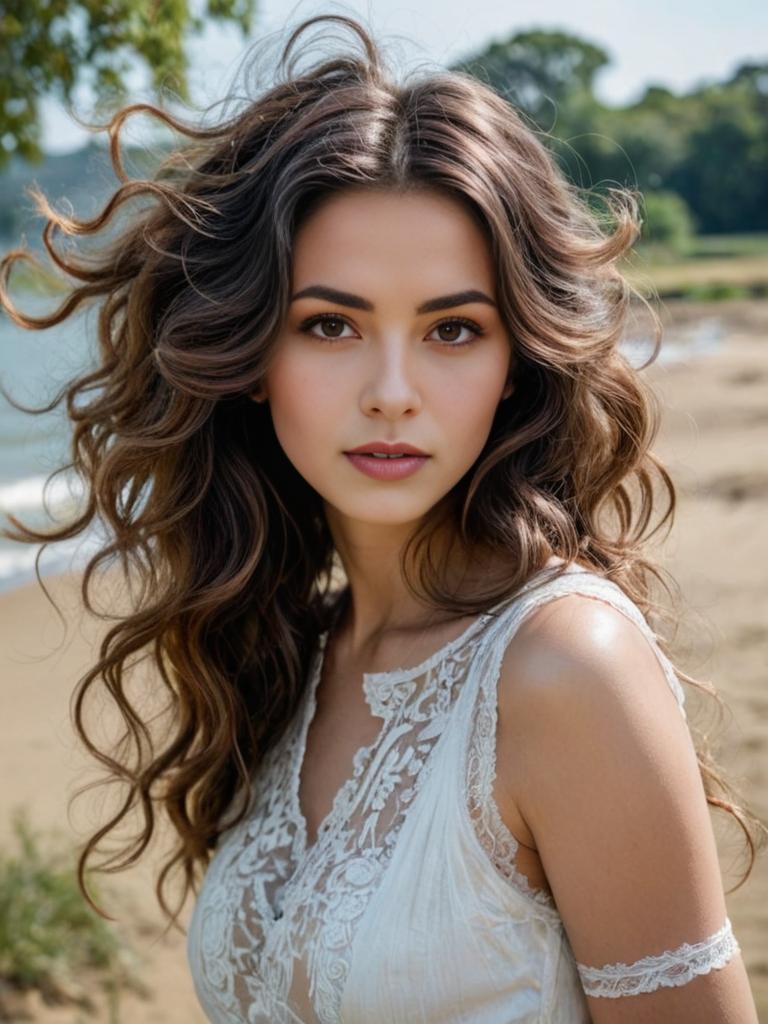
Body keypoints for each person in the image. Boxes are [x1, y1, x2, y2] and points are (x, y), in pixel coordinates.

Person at [0, 12, 763, 1024]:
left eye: (453, 328)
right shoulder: (292, 650)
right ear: (252, 359)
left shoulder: (566, 667)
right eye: (330, 325)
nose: (392, 390)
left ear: (513, 365)